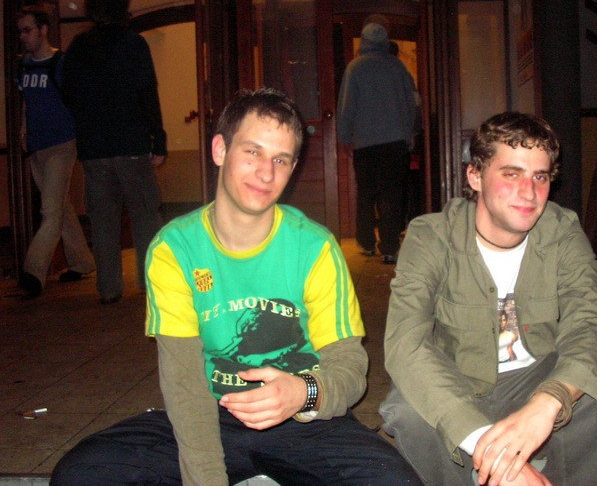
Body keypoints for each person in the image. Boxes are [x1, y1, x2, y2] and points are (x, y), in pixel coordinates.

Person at [51, 88, 420, 486]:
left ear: (293, 168)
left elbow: (349, 369)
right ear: (220, 150)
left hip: (303, 418)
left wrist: (303, 393)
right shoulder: (176, 249)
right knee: (82, 473)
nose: (267, 173)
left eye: (281, 159)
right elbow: (185, 386)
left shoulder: (314, 248)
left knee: (393, 481)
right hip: (212, 414)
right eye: (253, 152)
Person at [379, 112, 597, 486]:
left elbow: (590, 324)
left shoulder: (562, 230)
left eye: (540, 177)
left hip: (537, 377)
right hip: (459, 380)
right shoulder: (430, 237)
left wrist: (549, 401)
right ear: (475, 176)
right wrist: (491, 450)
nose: (529, 192)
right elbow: (406, 345)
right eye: (512, 174)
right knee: (407, 412)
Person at [61, 0, 166, 304]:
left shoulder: (79, 47)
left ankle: (108, 289)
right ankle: (150, 285)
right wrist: (158, 139)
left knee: (103, 220)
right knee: (145, 215)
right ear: (122, 6)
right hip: (131, 143)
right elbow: (148, 93)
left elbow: (67, 92)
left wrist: (87, 121)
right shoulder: (134, 44)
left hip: (94, 148)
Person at [15, 5, 95, 298]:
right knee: (61, 207)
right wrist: (23, 131)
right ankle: (82, 261)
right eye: (20, 31)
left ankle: (33, 272)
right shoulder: (24, 66)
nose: (23, 36)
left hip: (62, 144)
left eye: (28, 30)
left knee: (49, 210)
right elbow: (26, 102)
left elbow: (78, 100)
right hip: (37, 146)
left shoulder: (61, 63)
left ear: (43, 30)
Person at [336, 21, 417, 264]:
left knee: (366, 194)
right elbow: (411, 104)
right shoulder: (398, 67)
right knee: (392, 195)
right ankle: (390, 247)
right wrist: (410, 134)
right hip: (395, 141)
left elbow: (347, 106)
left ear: (363, 41)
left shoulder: (355, 68)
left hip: (365, 143)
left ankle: (366, 242)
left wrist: (345, 137)